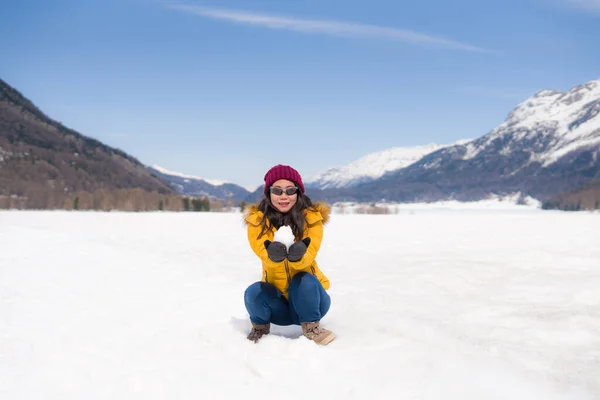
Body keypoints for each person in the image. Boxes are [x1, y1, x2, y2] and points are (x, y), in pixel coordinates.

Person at [243, 164, 335, 345]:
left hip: (312, 303)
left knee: (304, 279)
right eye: (277, 190)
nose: (283, 196)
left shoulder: (312, 219)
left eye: (290, 190)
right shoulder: (258, 223)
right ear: (269, 193)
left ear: (298, 192)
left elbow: (311, 252)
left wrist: (298, 256)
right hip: (279, 309)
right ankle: (260, 329)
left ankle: (312, 328)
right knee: (254, 291)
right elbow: (263, 254)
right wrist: (273, 256)